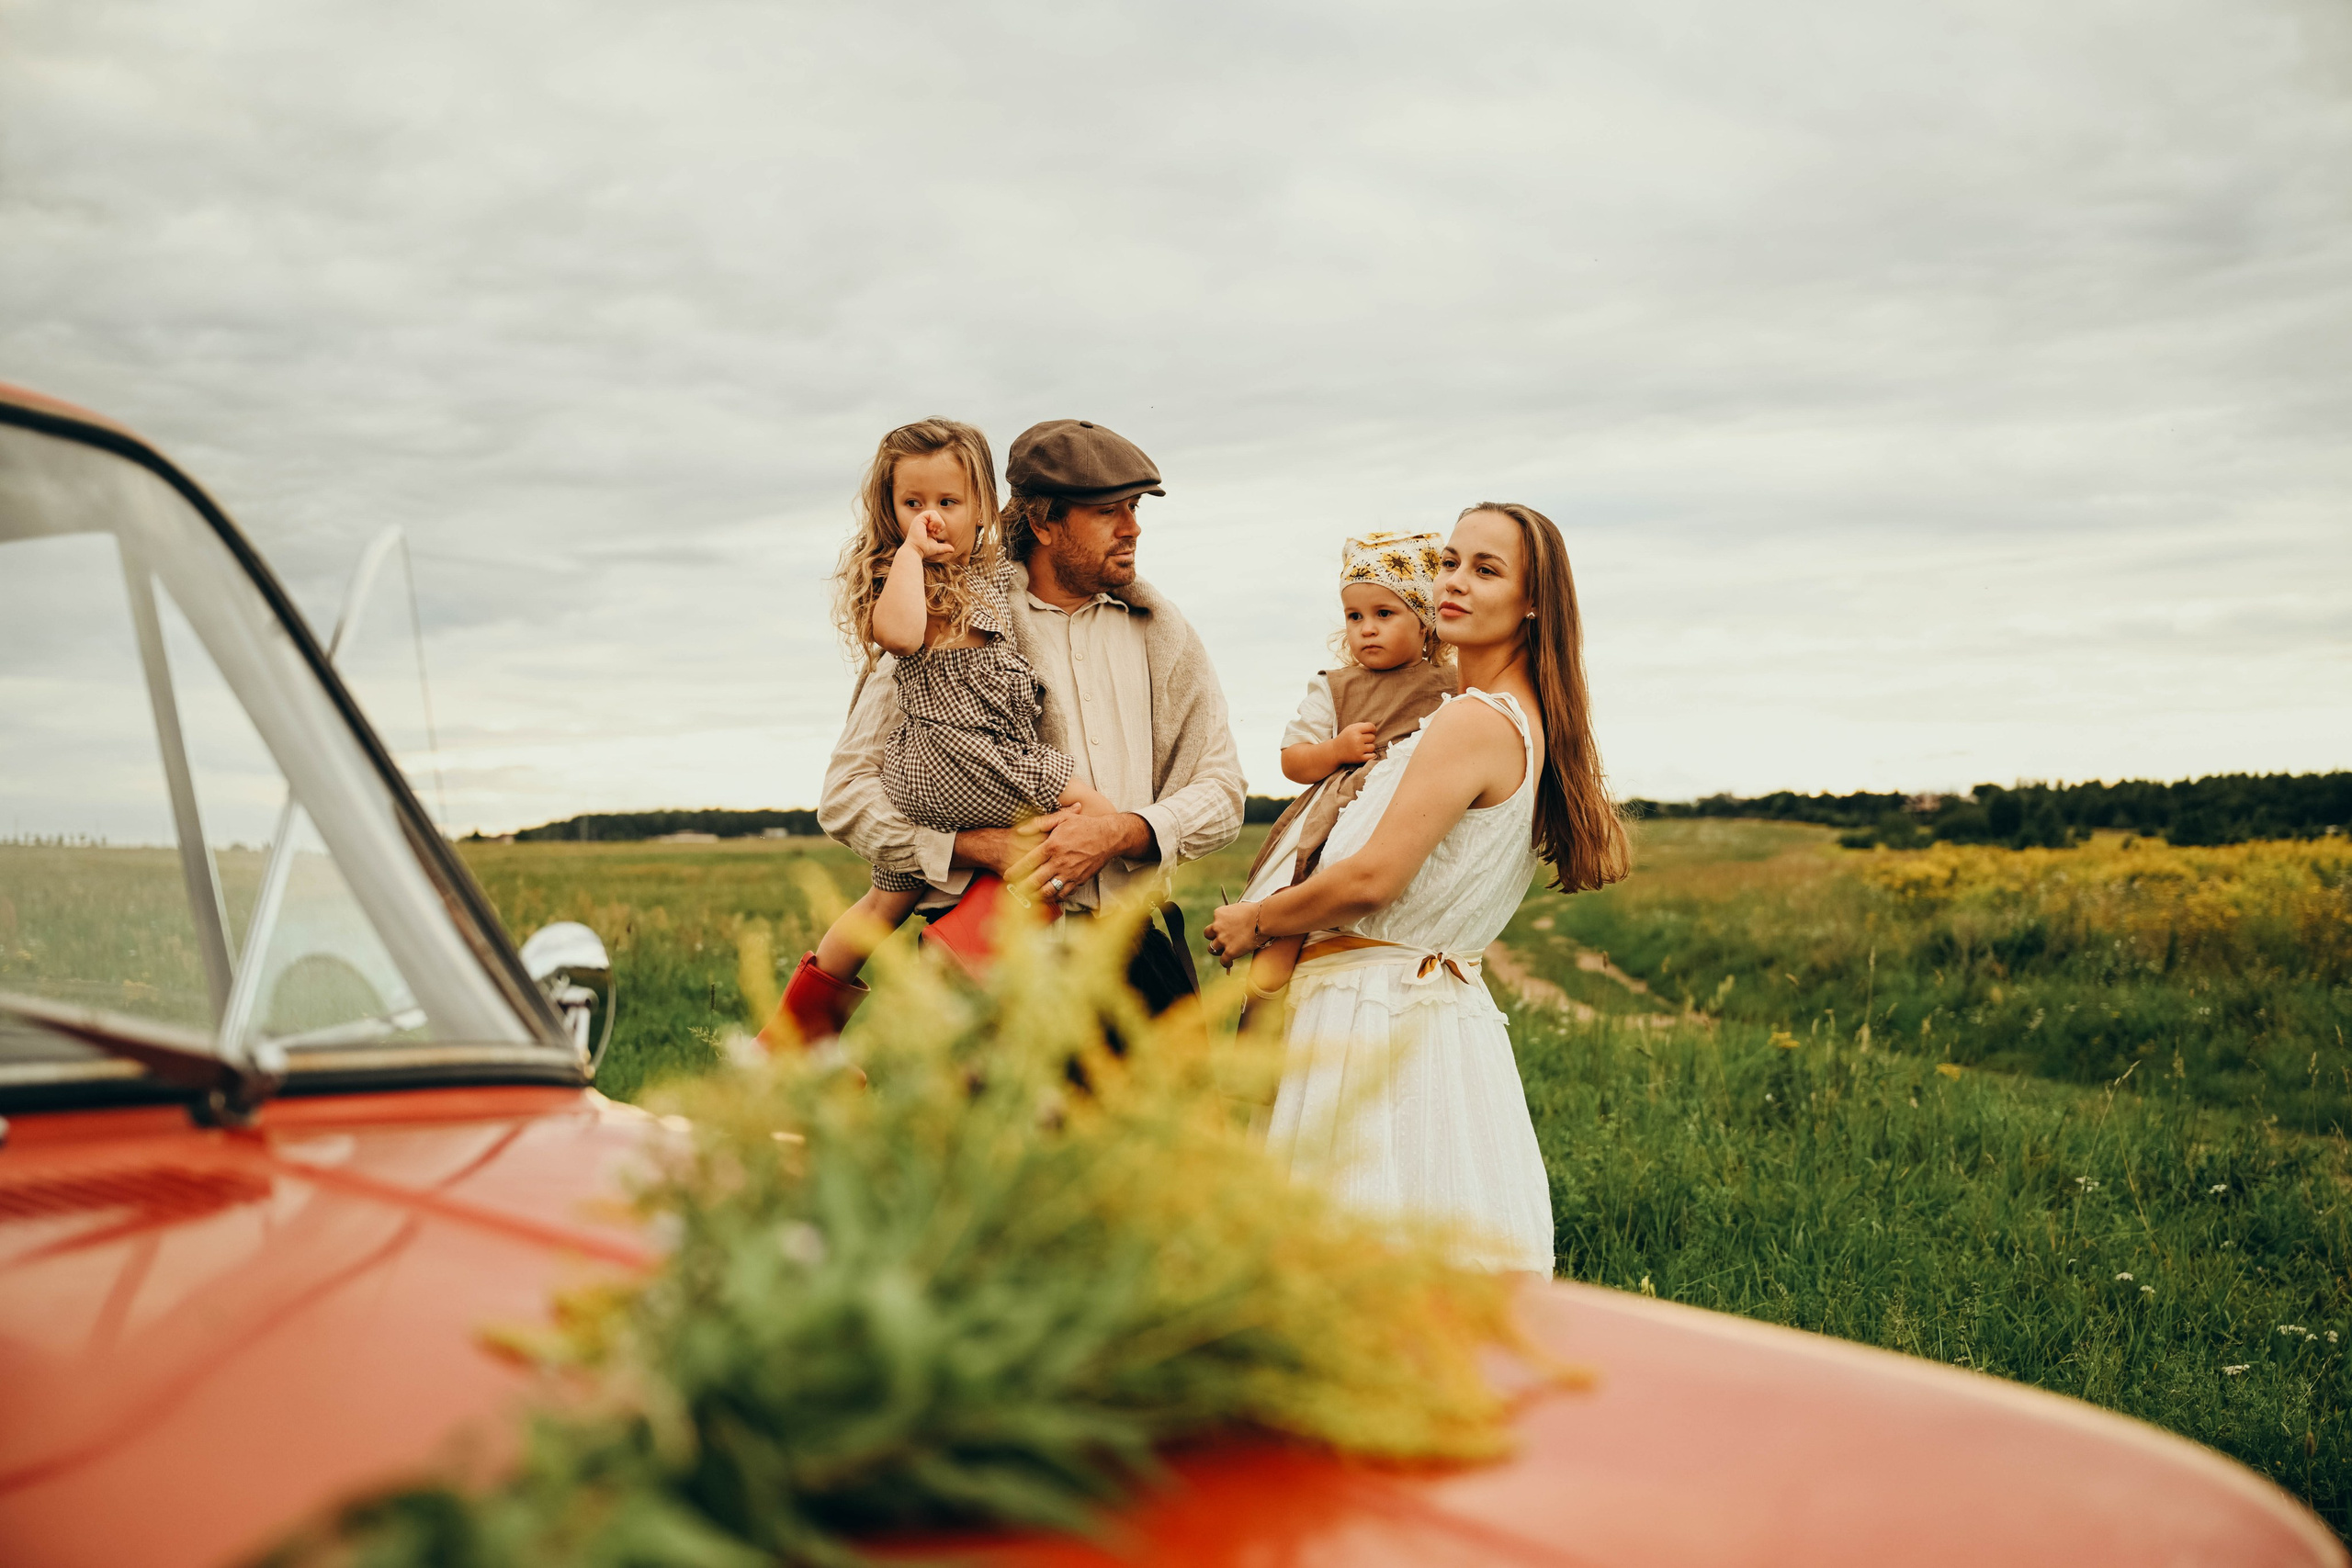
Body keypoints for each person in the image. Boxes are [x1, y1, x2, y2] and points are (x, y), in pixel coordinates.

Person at [1203, 502, 1630, 1274]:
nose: (1454, 583)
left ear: (1533, 602)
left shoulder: (1472, 720)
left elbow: (1372, 877)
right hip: (1427, 1016)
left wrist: (1258, 919)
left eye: (1486, 569)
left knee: (1351, 1274)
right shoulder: (1506, 715)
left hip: (1376, 1015)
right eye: (1450, 562)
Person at [814, 417, 1245, 1025]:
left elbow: (1223, 793)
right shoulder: (954, 617)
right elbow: (845, 798)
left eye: (1135, 507)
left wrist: (1121, 832)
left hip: (1138, 957)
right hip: (991, 960)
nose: (1133, 527)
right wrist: (973, 848)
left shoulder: (1162, 634)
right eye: (1108, 512)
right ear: (1041, 522)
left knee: (1170, 1125)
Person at [763, 418, 1120, 1046]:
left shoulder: (988, 562)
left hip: (924, 778)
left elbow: (1045, 536)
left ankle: (791, 1041)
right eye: (913, 504)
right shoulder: (904, 575)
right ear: (889, 509)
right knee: (1089, 815)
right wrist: (908, 556)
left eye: (947, 502)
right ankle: (976, 944)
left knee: (880, 904)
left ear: (983, 505)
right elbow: (897, 635)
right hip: (966, 749)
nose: (931, 518)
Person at [1237, 531, 1455, 1021]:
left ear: (1425, 623)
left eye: (1384, 614)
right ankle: (1260, 1025)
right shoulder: (1335, 687)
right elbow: (1293, 760)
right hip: (1340, 811)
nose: (1366, 629)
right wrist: (1335, 751)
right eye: (1354, 617)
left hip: (1409, 812)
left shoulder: (1453, 685)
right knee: (1297, 904)